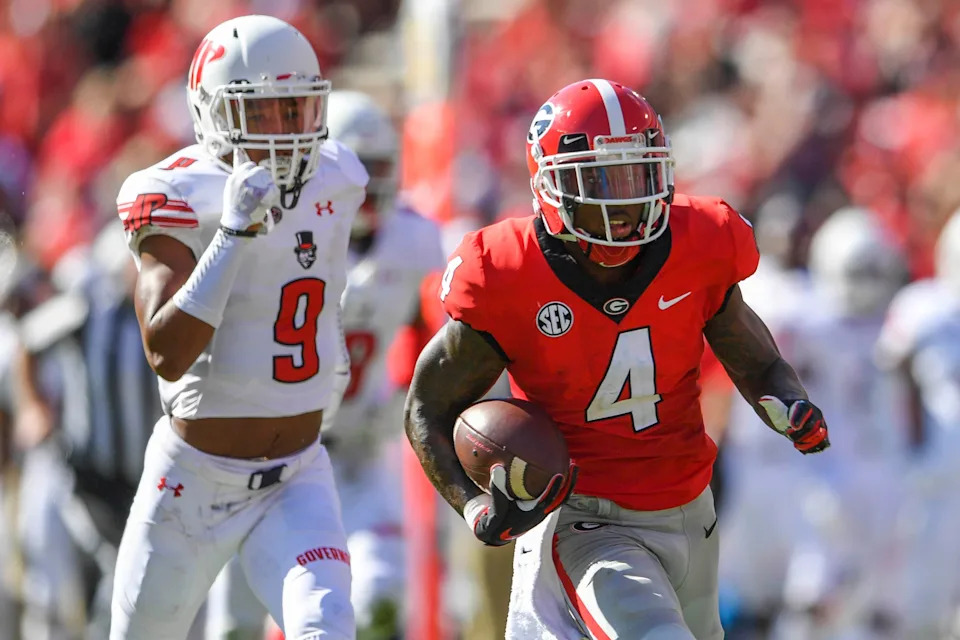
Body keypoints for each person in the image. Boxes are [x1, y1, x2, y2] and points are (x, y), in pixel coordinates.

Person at [403, 78, 830, 639]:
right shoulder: (505, 271)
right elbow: (426, 407)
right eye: (601, 180)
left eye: (636, 175)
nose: (623, 202)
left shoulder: (701, 242)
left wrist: (790, 402)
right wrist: (472, 505)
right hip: (584, 515)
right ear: (551, 185)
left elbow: (755, 360)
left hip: (690, 509)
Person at [110, 14, 367, 640]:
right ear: (214, 114)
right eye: (264, 113)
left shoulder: (339, 175)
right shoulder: (175, 191)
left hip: (298, 475)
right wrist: (230, 236)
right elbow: (166, 352)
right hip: (194, 481)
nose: (285, 131)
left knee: (327, 626)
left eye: (296, 110)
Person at [204, 89, 445, 640]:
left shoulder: (414, 238)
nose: (372, 183)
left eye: (381, 167)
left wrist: (412, 394)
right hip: (270, 452)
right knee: (236, 624)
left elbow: (439, 336)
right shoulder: (278, 233)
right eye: (359, 166)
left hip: (357, 453)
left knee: (382, 599)